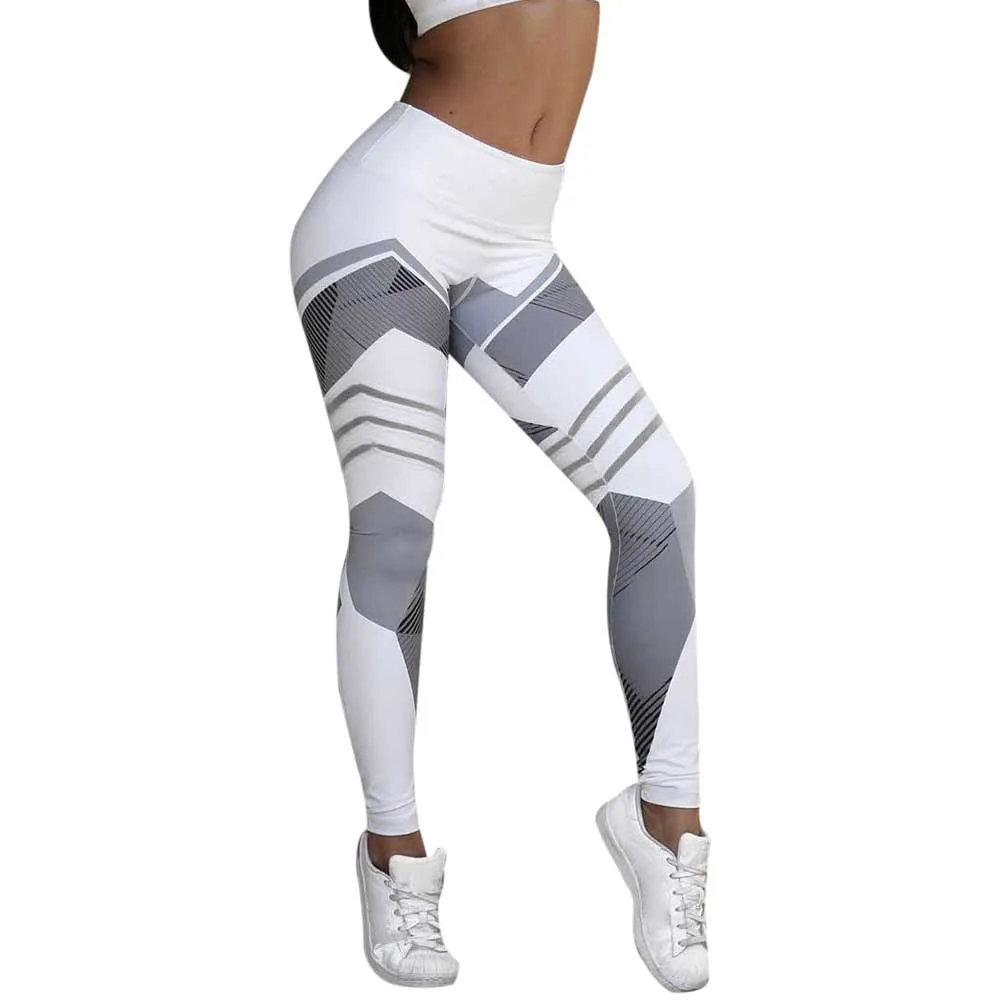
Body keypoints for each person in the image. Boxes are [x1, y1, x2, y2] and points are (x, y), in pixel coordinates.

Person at [290, 0, 710, 990]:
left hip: (514, 244)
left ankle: (664, 821)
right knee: (396, 528)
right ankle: (392, 851)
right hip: (382, 227)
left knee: (656, 496)